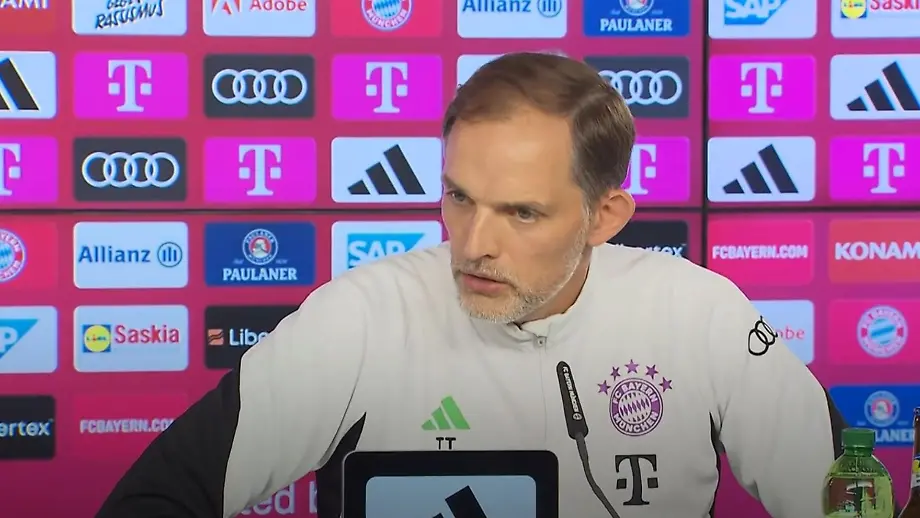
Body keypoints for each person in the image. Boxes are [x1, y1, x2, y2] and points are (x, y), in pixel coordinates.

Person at [96, 52, 847, 518]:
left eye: (522, 212)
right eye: (460, 197)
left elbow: (850, 500)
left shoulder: (699, 313)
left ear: (604, 216)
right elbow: (155, 501)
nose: (474, 244)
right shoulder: (363, 315)